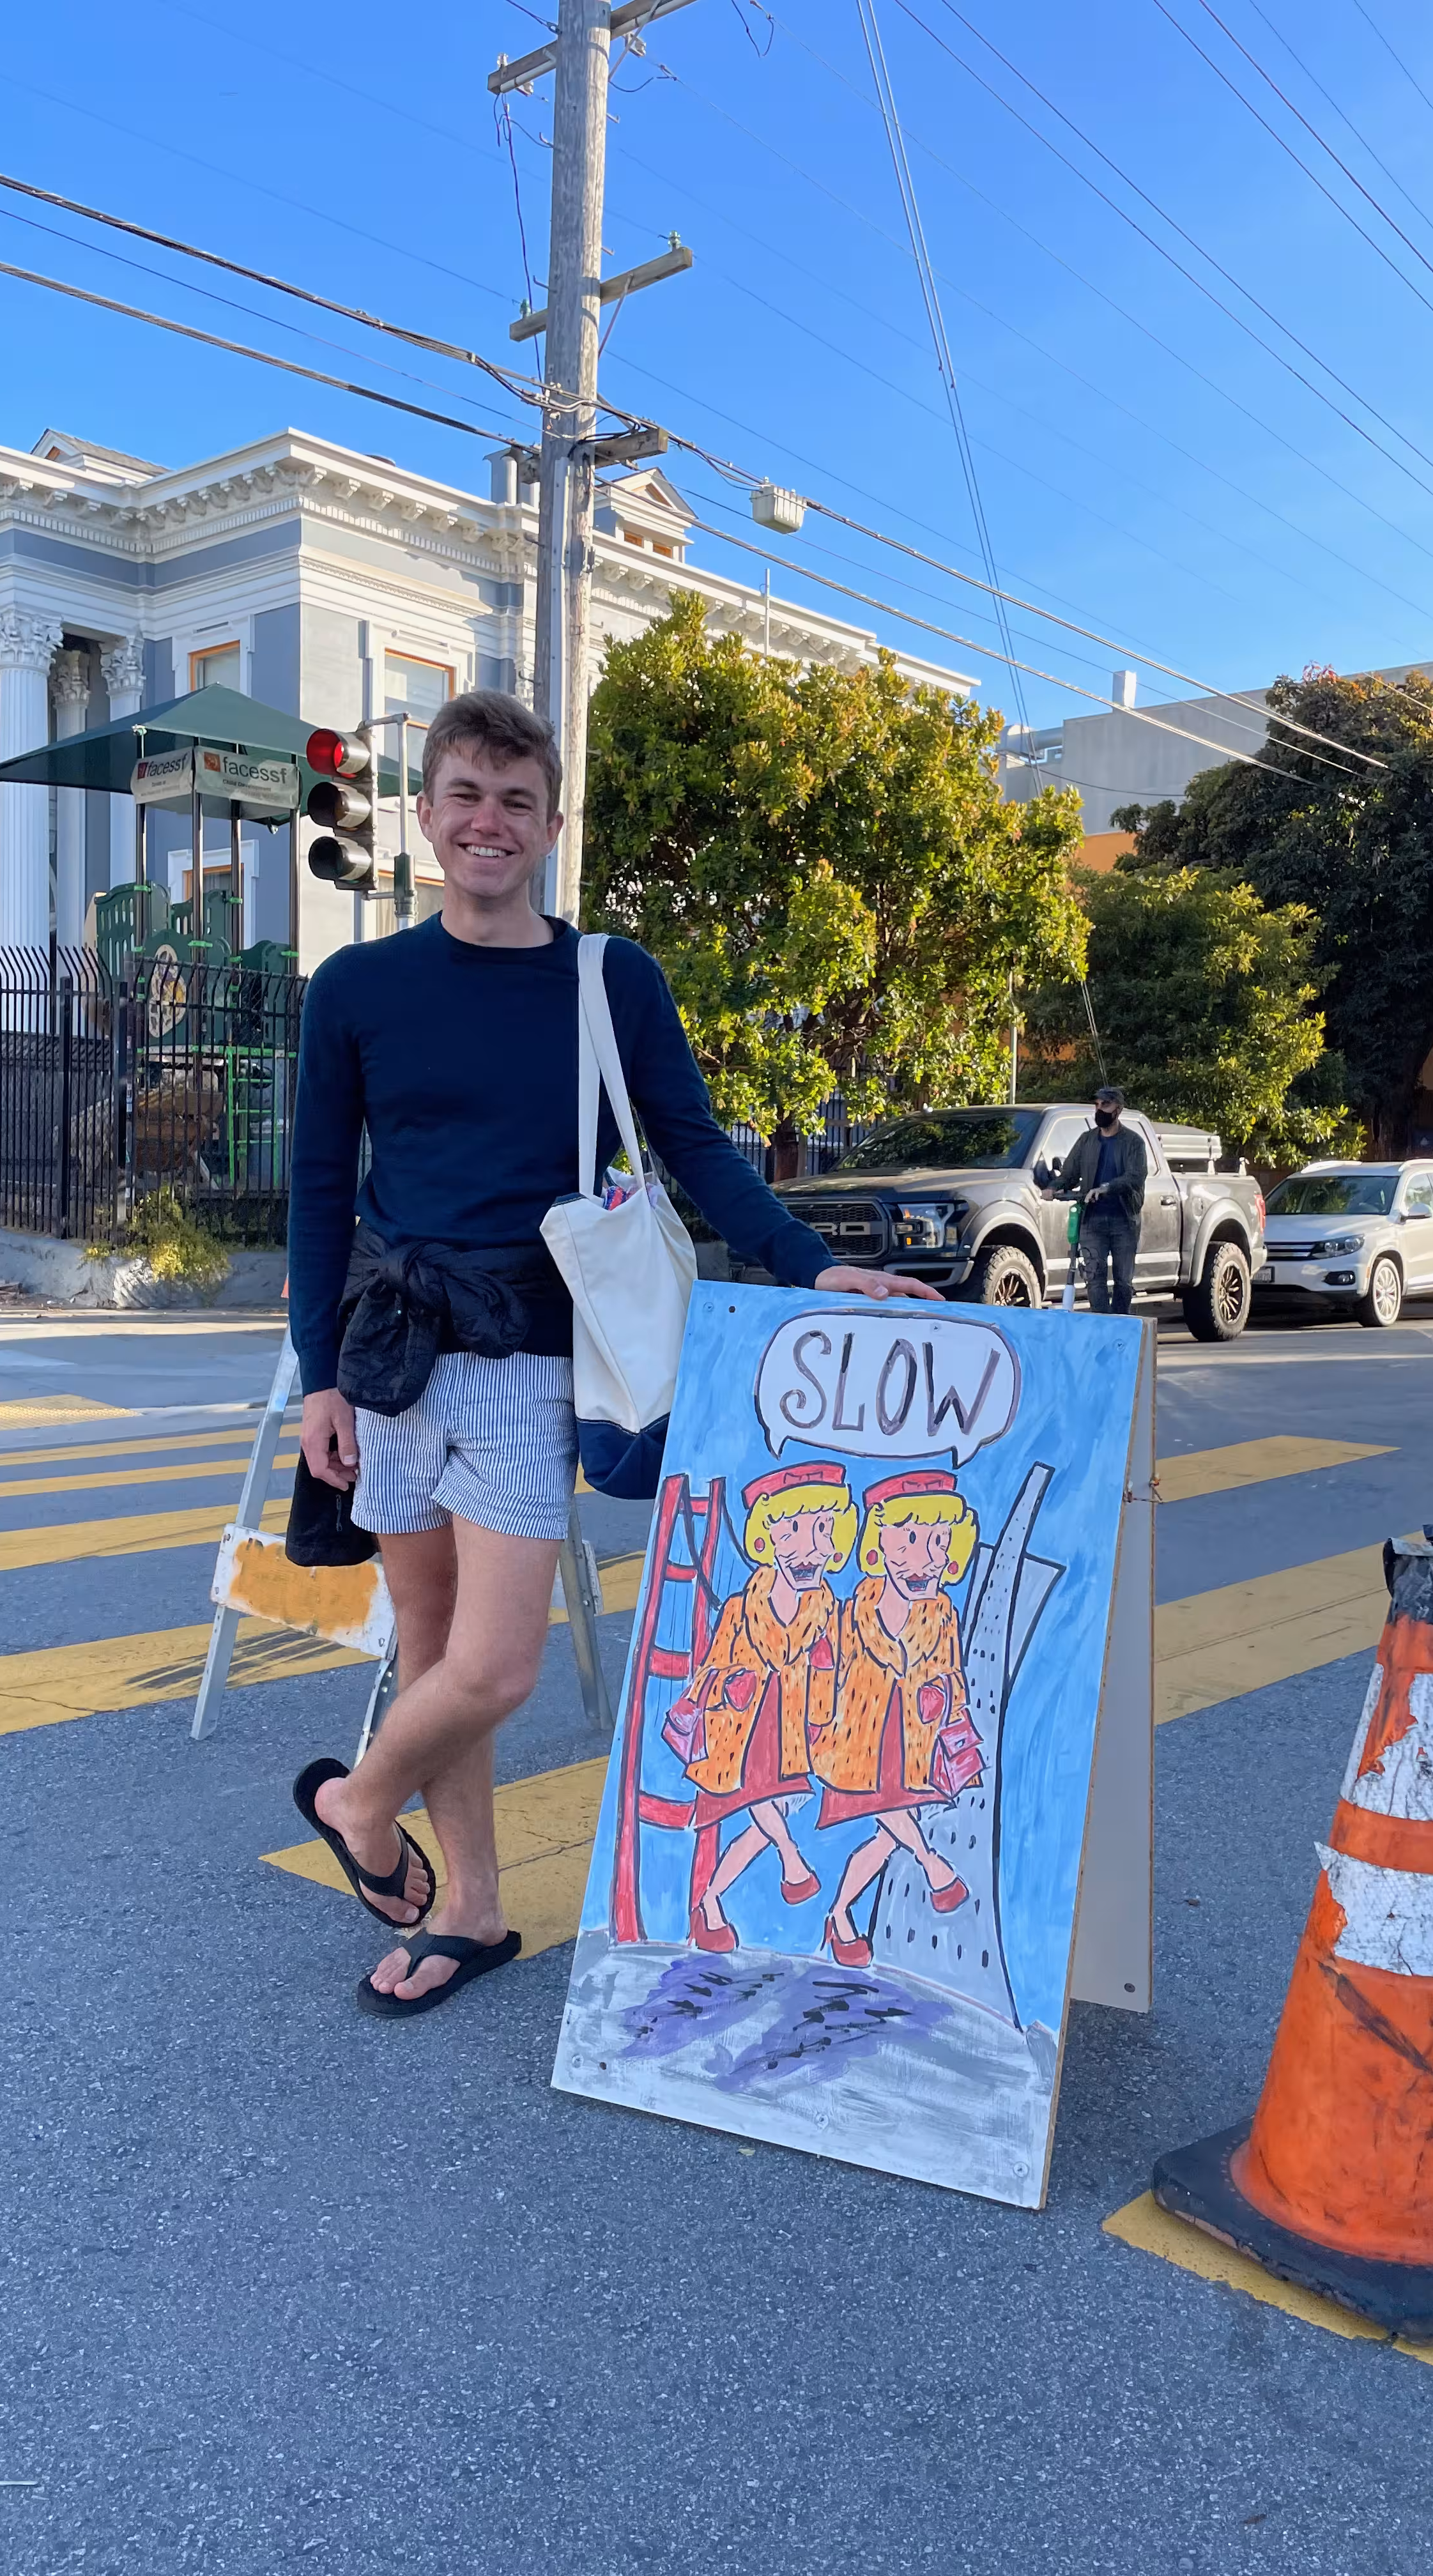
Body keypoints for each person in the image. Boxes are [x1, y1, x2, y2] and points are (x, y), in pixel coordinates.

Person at [286, 689, 940, 2018]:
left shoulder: (607, 979)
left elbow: (694, 1145)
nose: (489, 823)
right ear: (428, 812)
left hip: (533, 1362)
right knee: (429, 1645)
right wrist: (321, 1377)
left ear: (550, 824)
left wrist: (814, 1264)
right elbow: (314, 1187)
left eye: (516, 803)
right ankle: (468, 1911)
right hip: (393, 1355)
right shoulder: (356, 986)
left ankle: (354, 1803)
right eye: (466, 796)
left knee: (497, 1666)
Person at [671, 1462, 855, 1952]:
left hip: (790, 1733)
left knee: (760, 1822)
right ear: (766, 1539)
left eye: (822, 1529)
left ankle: (709, 1901)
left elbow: (830, 1679)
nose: (809, 1546)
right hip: (739, 1732)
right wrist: (732, 1685)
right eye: (792, 1529)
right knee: (760, 1800)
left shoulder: (827, 1610)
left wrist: (820, 1704)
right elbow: (710, 1671)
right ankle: (792, 1861)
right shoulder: (739, 1608)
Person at [807, 1468, 978, 1968]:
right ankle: (934, 1868)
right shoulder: (853, 1608)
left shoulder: (942, 1611)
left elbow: (953, 1671)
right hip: (854, 1741)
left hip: (911, 1743)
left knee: (886, 1833)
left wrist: (942, 1699)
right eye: (907, 1540)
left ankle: (839, 1915)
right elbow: (826, 1668)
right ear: (879, 1545)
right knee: (889, 1817)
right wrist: (815, 1723)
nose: (923, 1557)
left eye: (938, 1541)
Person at [1054, 1084, 1149, 1315]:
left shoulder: (1133, 1142)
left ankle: (1120, 1325)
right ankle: (1102, 1325)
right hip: (1092, 1221)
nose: (1100, 1109)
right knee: (1093, 1279)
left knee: (1123, 1281)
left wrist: (1107, 1188)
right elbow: (1069, 1174)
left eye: (1105, 1105)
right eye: (1097, 1105)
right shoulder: (1087, 1140)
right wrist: (1051, 1187)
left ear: (1119, 1109)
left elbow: (1136, 1176)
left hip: (1123, 1221)